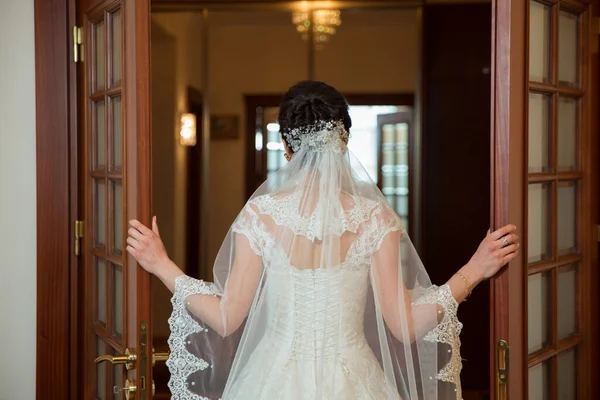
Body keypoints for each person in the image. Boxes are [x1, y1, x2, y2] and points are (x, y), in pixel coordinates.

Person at [127, 81, 519, 400]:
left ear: (286, 149)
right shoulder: (374, 219)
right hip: (354, 382)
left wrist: (161, 263)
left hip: (269, 381)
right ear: (344, 141)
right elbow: (403, 325)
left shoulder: (260, 216)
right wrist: (475, 269)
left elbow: (227, 318)